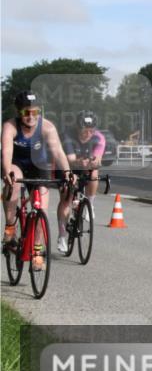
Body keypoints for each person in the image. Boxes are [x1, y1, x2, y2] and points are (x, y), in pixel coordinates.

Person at [1, 91, 74, 268]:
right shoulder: (10, 126)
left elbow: (58, 152)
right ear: (19, 112)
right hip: (16, 164)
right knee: (14, 183)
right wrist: (6, 171)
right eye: (27, 112)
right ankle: (10, 226)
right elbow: (6, 152)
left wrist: (67, 173)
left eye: (35, 112)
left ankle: (37, 250)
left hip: (39, 166)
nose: (31, 117)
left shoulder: (47, 127)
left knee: (42, 207)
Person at [60, 110, 106, 252]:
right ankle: (62, 236)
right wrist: (81, 162)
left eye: (91, 131)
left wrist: (91, 162)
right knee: (67, 196)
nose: (88, 134)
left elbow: (97, 160)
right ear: (77, 128)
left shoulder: (99, 138)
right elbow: (71, 160)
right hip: (69, 167)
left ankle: (90, 204)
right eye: (84, 131)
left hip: (85, 166)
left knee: (94, 171)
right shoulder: (68, 136)